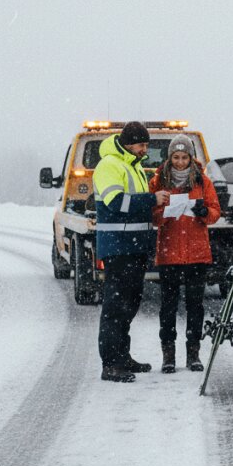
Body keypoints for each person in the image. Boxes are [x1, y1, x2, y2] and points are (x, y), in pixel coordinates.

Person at [93, 121, 170, 383]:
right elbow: (116, 203)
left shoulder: (133, 167)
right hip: (118, 248)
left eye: (146, 144)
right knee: (116, 308)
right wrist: (152, 199)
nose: (144, 149)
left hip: (134, 247)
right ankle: (111, 364)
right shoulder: (109, 166)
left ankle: (123, 357)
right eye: (141, 144)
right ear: (128, 143)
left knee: (129, 305)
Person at [149, 133, 221, 373]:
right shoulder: (158, 181)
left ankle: (193, 353)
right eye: (176, 157)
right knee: (168, 306)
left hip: (196, 253)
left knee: (195, 305)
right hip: (169, 253)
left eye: (184, 157)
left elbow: (214, 212)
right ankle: (168, 355)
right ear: (169, 157)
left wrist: (202, 211)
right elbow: (152, 216)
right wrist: (164, 214)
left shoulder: (203, 182)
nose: (180, 162)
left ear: (192, 157)